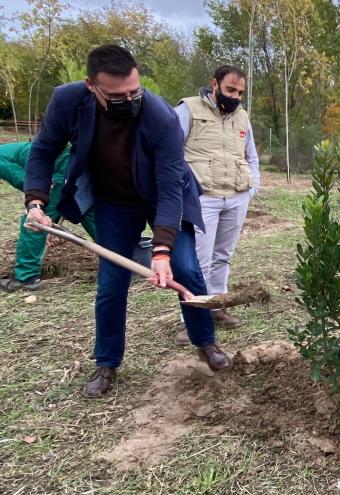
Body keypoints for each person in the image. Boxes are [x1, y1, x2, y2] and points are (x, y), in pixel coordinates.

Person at [24, 44, 232, 398]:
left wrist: (162, 250)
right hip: (114, 202)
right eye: (118, 96)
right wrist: (36, 201)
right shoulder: (68, 102)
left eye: (135, 91)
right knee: (111, 283)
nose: (130, 100)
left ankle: (205, 342)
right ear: (93, 86)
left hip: (163, 195)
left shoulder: (161, 116)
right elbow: (43, 151)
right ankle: (107, 362)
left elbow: (169, 188)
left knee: (186, 269)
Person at [174, 65, 260, 337]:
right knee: (198, 262)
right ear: (214, 84)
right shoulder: (188, 110)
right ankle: (192, 320)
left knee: (223, 255)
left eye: (240, 93)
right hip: (202, 200)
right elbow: (168, 152)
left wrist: (251, 189)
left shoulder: (242, 117)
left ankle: (218, 306)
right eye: (230, 90)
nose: (235, 97)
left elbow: (252, 157)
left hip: (235, 197)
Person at [0, 142, 97, 291]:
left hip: (55, 169)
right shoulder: (8, 151)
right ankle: (125, 255)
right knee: (87, 211)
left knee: (34, 221)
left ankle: (26, 277)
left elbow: (24, 179)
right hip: (69, 163)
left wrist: (38, 192)